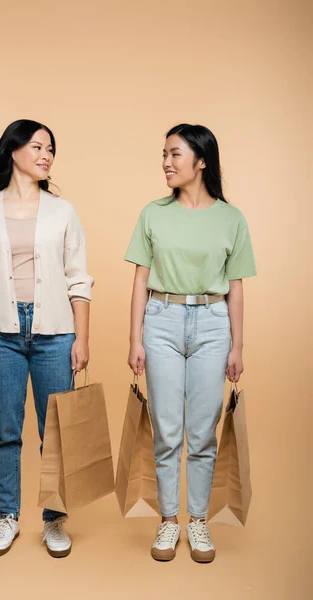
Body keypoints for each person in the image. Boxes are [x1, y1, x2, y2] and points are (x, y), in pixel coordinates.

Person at [125, 124, 256, 563]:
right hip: (160, 320)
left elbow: (236, 287)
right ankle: (168, 521)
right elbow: (140, 280)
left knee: (202, 430)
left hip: (214, 323)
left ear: (202, 160)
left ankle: (197, 520)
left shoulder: (231, 218)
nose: (165, 162)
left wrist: (238, 346)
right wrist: (135, 339)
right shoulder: (152, 213)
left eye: (175, 154)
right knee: (165, 428)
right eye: (163, 153)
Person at [0, 119, 93, 557]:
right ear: (12, 150)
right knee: (5, 430)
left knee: (55, 432)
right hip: (0, 333)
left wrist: (82, 338)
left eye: (51, 149)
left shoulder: (63, 211)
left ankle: (54, 521)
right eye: (37, 146)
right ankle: (8, 516)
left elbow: (79, 279)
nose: (46, 155)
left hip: (55, 332)